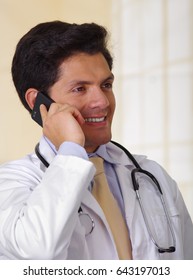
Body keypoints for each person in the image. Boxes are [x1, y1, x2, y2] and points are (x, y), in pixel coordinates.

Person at [0, 21, 193, 260]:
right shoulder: (11, 183)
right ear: (37, 103)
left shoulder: (152, 176)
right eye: (80, 89)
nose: (102, 101)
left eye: (106, 85)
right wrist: (71, 149)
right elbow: (38, 253)